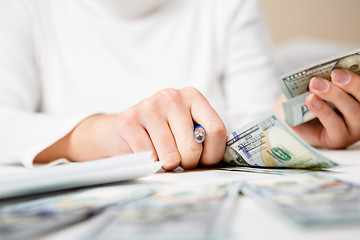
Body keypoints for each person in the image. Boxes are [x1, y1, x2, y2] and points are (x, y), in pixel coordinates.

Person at [0, 0, 358, 171]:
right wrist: (110, 135)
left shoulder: (229, 7)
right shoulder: (22, 9)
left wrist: (297, 128)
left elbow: (256, 118)